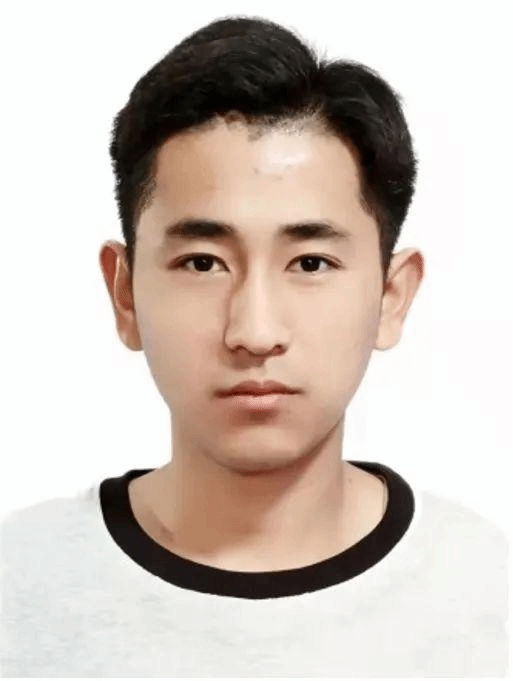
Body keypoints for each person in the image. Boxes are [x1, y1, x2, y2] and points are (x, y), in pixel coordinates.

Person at [0, 15, 507, 678]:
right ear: (125, 294)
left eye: (310, 263)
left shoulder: (488, 597)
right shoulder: (17, 590)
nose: (255, 332)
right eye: (203, 263)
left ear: (391, 295)